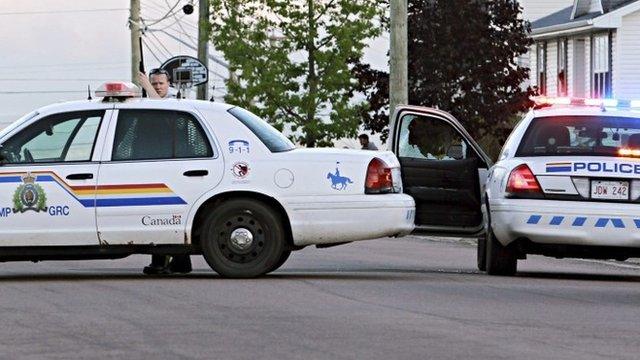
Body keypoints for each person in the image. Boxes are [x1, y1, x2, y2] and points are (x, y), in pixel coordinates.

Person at [138, 69, 191, 275]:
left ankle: (168, 263)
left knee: (167, 215)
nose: (158, 86)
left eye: (161, 83)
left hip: (174, 168)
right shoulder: (149, 100)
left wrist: (147, 87)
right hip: (159, 165)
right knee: (158, 216)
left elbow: (162, 111)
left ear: (168, 83)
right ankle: (171, 262)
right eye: (154, 83)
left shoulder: (175, 100)